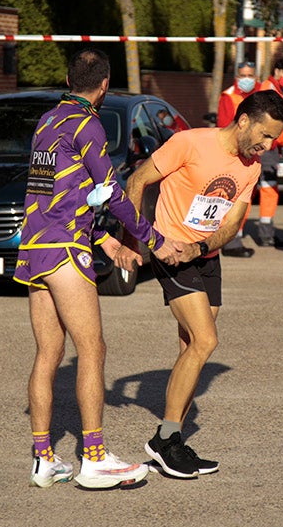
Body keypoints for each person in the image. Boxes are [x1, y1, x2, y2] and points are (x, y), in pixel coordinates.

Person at [14, 48, 181, 490]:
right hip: (65, 250)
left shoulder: (47, 122)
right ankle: (94, 458)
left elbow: (55, 192)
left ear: (69, 78)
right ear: (105, 84)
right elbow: (112, 194)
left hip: (35, 247)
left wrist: (103, 238)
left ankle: (44, 459)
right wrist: (155, 239)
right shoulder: (88, 123)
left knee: (48, 354)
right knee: (93, 349)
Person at [122, 90, 283, 478]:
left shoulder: (250, 166)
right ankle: (164, 439)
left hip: (205, 255)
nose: (267, 146)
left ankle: (172, 442)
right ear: (244, 120)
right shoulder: (189, 142)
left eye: (274, 140)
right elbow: (137, 180)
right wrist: (139, 240)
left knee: (190, 347)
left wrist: (200, 246)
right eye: (265, 136)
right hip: (170, 253)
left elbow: (231, 224)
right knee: (205, 341)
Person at [216, 61, 276, 258]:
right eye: (243, 75)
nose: (246, 79)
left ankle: (267, 233)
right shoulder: (228, 96)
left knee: (269, 190)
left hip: (266, 150)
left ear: (256, 77)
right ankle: (233, 238)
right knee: (241, 195)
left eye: (250, 75)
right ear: (236, 77)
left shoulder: (266, 92)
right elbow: (225, 124)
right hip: (243, 151)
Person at [256, 57, 283, 247]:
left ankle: (266, 233)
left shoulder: (274, 89)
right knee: (267, 189)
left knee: (267, 189)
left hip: (269, 147)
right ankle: (265, 235)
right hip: (266, 147)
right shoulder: (270, 89)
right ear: (278, 70)